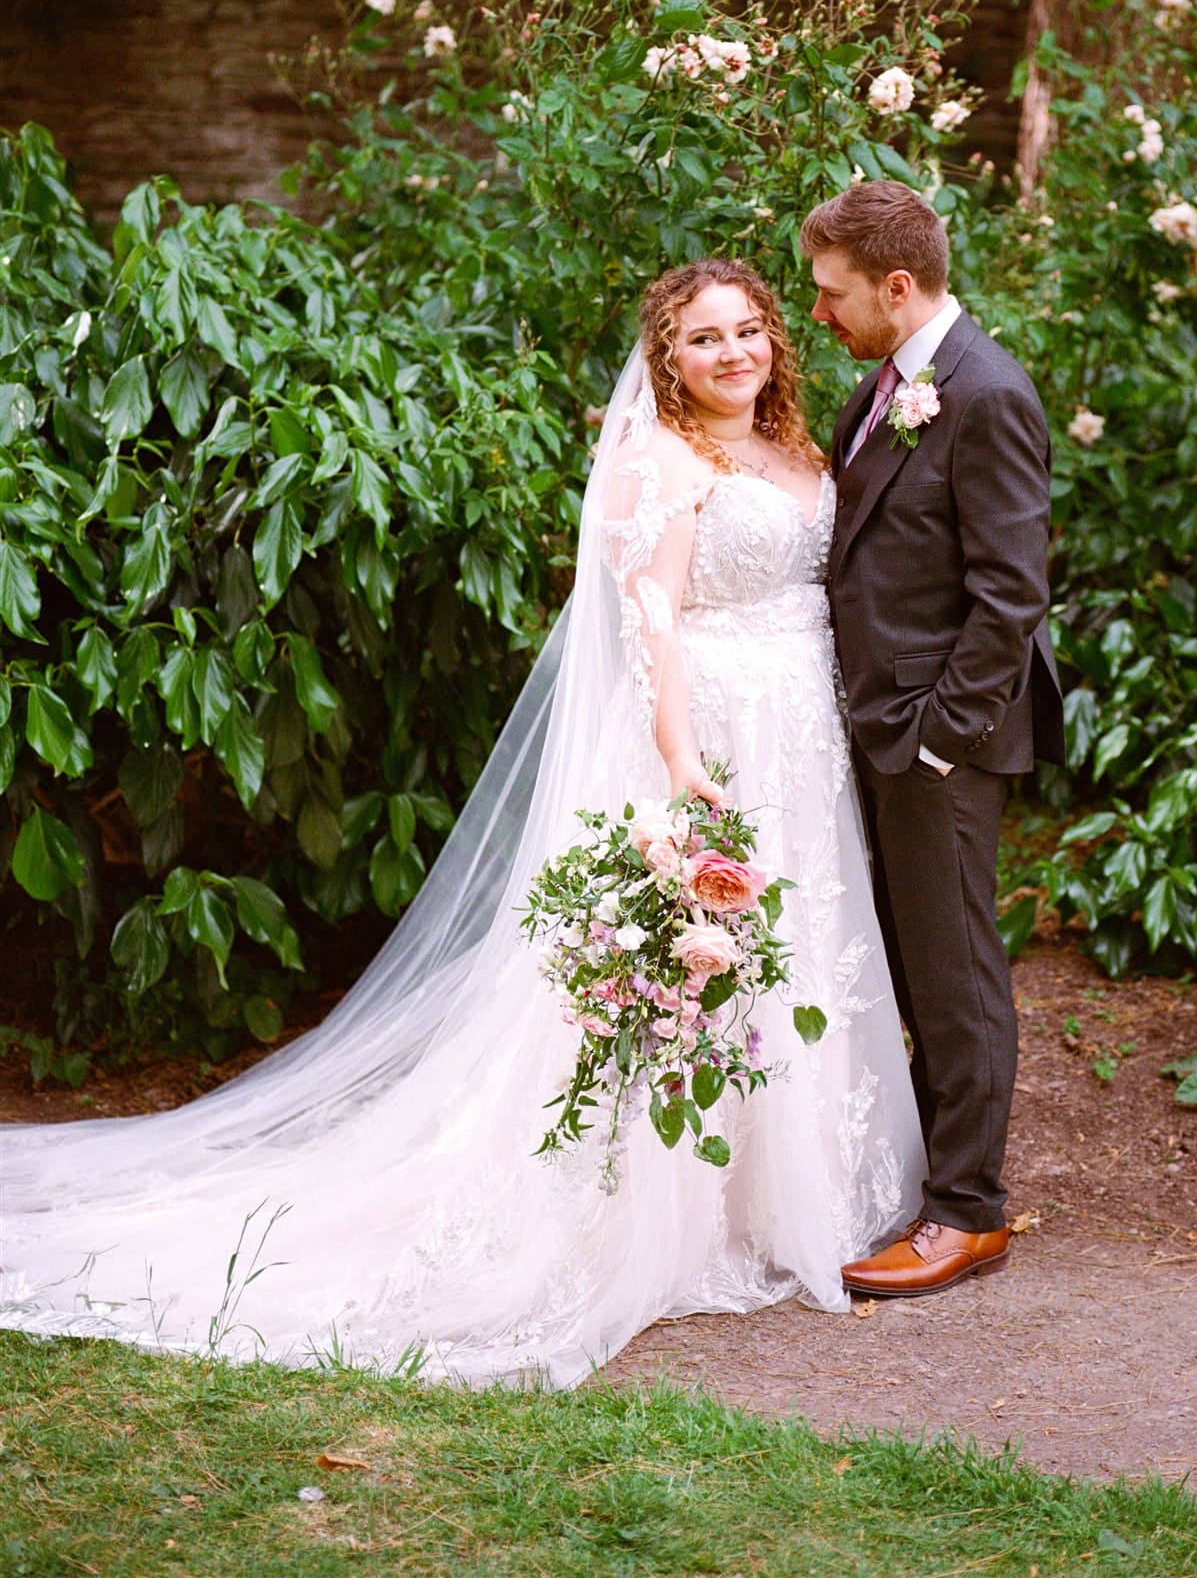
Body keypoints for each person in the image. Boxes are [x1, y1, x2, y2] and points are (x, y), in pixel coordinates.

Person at [0, 260, 921, 1387]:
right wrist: (682, 761)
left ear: (774, 337)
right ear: (665, 361)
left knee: (797, 944)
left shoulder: (802, 450)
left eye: (747, 331)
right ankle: (668, 1209)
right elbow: (655, 628)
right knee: (700, 956)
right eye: (701, 339)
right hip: (714, 735)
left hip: (802, 735)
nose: (732, 353)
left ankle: (787, 1191)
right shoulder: (658, 464)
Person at [800, 180, 1064, 1299]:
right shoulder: (896, 381)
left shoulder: (986, 393)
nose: (820, 313)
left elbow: (1012, 595)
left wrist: (939, 743)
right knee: (915, 958)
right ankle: (933, 1174)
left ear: (896, 287)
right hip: (884, 724)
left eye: (833, 293)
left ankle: (968, 1211)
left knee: (955, 967)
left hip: (936, 738)